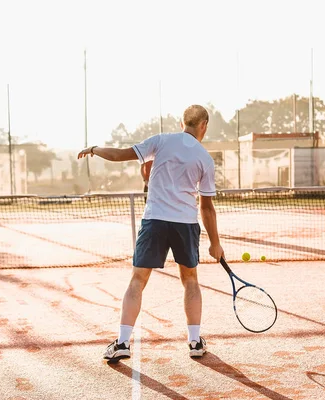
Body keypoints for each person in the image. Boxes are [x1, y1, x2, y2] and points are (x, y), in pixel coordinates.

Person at [77, 104, 224, 362]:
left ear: (182, 124)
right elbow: (207, 206)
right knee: (190, 280)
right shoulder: (204, 158)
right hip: (185, 224)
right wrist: (215, 243)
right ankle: (194, 342)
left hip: (154, 220)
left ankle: (122, 342)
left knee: (137, 280)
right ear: (204, 126)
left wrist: (93, 149)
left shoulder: (161, 141)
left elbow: (118, 155)